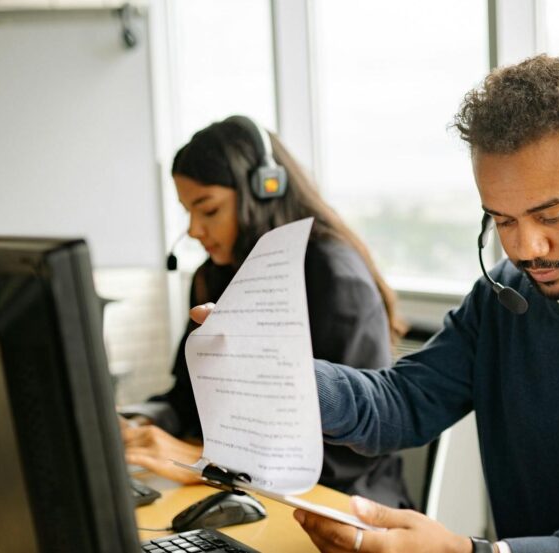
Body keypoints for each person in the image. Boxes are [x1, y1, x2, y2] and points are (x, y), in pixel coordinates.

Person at [190, 56, 559, 552]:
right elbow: (400, 404)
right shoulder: (504, 298)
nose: (525, 248)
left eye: (551, 215)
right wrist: (283, 373)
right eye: (502, 220)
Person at [120, 115, 414, 509]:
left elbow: (352, 450)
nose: (192, 230)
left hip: (342, 501)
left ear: (263, 191)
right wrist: (140, 421)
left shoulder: (334, 275)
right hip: (247, 492)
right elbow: (186, 400)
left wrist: (209, 462)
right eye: (187, 211)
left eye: (208, 210)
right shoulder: (214, 275)